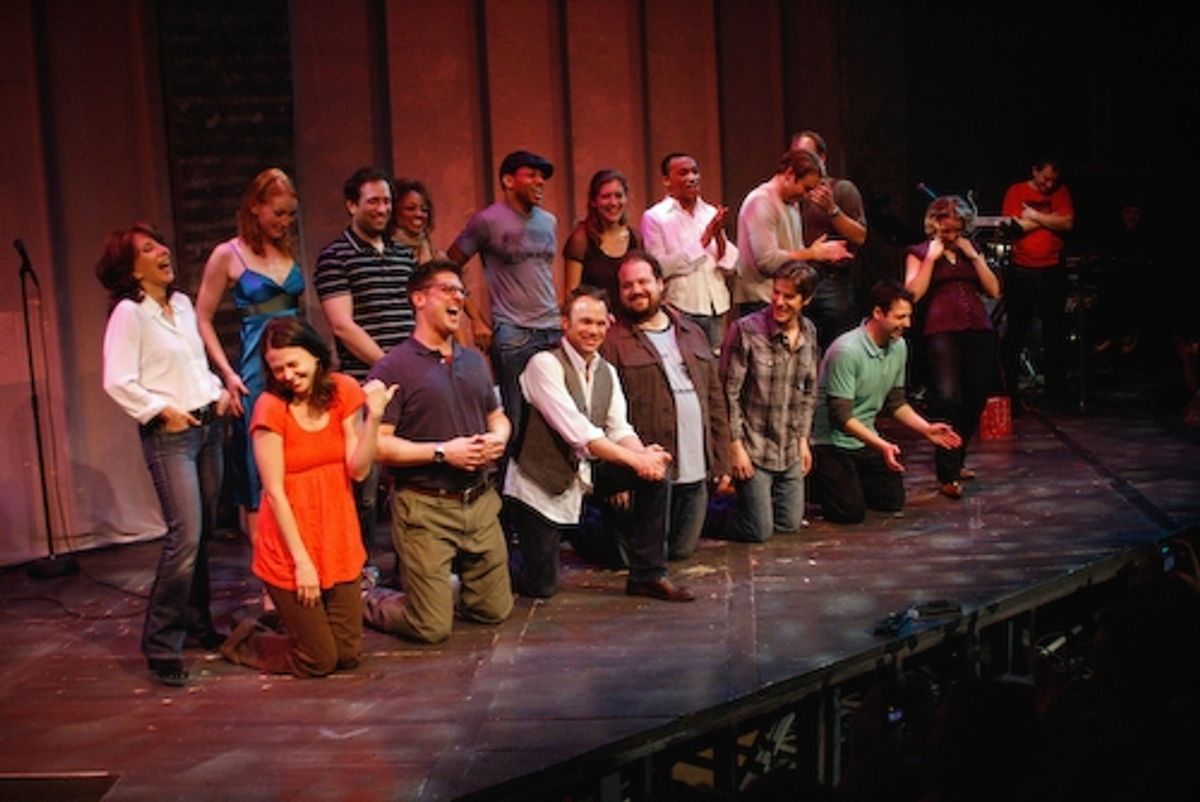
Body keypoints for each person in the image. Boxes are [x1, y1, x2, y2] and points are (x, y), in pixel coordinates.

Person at [219, 318, 393, 677]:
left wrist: (374, 418)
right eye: (276, 368)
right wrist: (302, 563)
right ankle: (247, 639)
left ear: (315, 356)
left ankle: (298, 627)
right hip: (290, 544)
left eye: (293, 364)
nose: (286, 375)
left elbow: (358, 471)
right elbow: (275, 492)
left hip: (337, 535)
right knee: (318, 661)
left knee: (347, 655)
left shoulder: (343, 390)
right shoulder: (270, 407)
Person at [98, 223, 230, 687]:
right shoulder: (129, 315)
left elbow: (195, 363)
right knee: (186, 535)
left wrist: (215, 390)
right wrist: (161, 411)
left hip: (208, 427)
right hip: (170, 435)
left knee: (206, 530)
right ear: (130, 268)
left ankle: (197, 624)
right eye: (148, 248)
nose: (163, 251)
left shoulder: (181, 304)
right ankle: (161, 644)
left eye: (160, 243)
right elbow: (117, 379)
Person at [505, 285, 694, 601]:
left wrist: (644, 455)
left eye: (599, 323)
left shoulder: (606, 370)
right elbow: (578, 433)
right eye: (584, 322)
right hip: (540, 483)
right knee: (542, 586)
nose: (593, 331)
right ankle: (494, 565)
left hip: (582, 474)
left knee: (656, 476)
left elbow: (618, 427)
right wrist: (636, 460)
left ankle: (648, 575)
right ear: (565, 323)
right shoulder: (544, 364)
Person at [367, 260, 514, 643]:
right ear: (418, 298)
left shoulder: (472, 360)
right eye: (447, 290)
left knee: (494, 611)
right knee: (430, 627)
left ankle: (439, 591)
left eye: (461, 292)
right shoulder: (393, 366)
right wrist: (441, 453)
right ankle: (368, 598)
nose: (458, 298)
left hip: (479, 503)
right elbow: (379, 445)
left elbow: (497, 415)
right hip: (426, 506)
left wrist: (498, 438)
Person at [196, 167, 303, 544]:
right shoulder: (229, 255)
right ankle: (267, 571)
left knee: (298, 458)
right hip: (257, 367)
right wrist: (227, 373)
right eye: (277, 213)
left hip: (296, 360)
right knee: (258, 464)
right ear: (255, 207)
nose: (284, 221)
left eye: (290, 214)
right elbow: (202, 318)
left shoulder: (289, 248)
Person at [602, 251, 732, 559]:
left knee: (681, 553)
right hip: (647, 475)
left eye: (643, 281)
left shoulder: (692, 332)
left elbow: (715, 400)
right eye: (627, 285)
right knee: (637, 556)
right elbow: (602, 413)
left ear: (661, 283)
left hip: (695, 470)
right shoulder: (612, 341)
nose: (636, 290)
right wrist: (615, 477)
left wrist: (722, 459)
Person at [314, 166, 417, 551]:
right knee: (366, 485)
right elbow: (342, 326)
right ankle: (360, 565)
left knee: (413, 478)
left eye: (387, 201)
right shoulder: (335, 257)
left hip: (408, 382)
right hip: (365, 385)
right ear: (351, 205)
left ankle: (413, 565)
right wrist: (393, 365)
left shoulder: (402, 255)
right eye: (373, 200)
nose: (382, 208)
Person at [809, 281, 963, 523]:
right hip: (831, 443)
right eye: (900, 317)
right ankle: (815, 481)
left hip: (863, 438)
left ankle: (849, 481)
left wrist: (926, 429)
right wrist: (882, 445)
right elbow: (842, 416)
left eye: (909, 316)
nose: (907, 324)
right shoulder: (847, 350)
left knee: (890, 501)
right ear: (878, 313)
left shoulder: (899, 346)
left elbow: (895, 403)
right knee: (849, 513)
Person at [449, 150, 560, 437]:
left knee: (554, 418)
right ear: (508, 180)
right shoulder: (487, 221)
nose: (540, 182)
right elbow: (448, 268)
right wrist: (475, 318)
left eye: (542, 177)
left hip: (552, 329)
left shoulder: (548, 221)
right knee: (515, 419)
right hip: (513, 333)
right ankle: (507, 482)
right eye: (531, 175)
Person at [904, 196, 1001, 499]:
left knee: (977, 396)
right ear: (933, 227)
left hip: (978, 328)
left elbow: (994, 290)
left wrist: (975, 258)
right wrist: (931, 260)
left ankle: (957, 458)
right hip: (942, 330)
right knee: (947, 396)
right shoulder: (919, 253)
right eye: (945, 231)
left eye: (956, 231)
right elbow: (912, 294)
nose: (950, 237)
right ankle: (947, 472)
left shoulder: (970, 251)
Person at [720, 262, 820, 542]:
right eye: (776, 293)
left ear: (806, 300)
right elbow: (729, 393)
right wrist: (735, 447)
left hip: (787, 447)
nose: (778, 301)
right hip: (754, 447)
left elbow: (808, 392)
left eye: (789, 297)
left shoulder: (809, 332)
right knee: (759, 531)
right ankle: (712, 510)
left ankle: (752, 504)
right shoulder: (746, 331)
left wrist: (802, 441)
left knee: (789, 524)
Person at [735, 149, 851, 322]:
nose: (807, 196)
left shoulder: (792, 203)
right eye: (806, 188)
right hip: (762, 302)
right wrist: (812, 253)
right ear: (789, 174)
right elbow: (767, 262)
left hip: (785, 299)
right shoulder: (761, 202)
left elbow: (792, 253)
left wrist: (820, 254)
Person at [639, 152, 739, 351]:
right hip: (682, 306)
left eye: (695, 172)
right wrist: (705, 237)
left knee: (714, 368)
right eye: (683, 173)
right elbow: (659, 267)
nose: (692, 178)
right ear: (667, 181)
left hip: (715, 305)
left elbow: (726, 264)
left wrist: (718, 235)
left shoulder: (710, 213)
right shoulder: (655, 217)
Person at [1001, 155, 1075, 405]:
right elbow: (1015, 227)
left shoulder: (1062, 191)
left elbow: (1067, 223)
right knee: (1016, 332)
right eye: (1044, 179)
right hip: (1022, 270)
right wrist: (1049, 219)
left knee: (1055, 333)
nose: (1048, 185)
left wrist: (1032, 215)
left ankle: (1056, 392)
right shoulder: (1016, 190)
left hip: (1052, 270)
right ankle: (1009, 392)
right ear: (1034, 171)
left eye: (1053, 181)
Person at [791, 130, 869, 350]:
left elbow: (860, 236)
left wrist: (832, 209)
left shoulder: (841, 190)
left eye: (806, 155)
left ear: (822, 158)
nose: (801, 162)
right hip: (796, 280)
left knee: (836, 349)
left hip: (831, 281)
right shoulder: (791, 195)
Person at [563, 168, 641, 303]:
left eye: (618, 196)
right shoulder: (581, 240)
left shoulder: (636, 238)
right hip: (596, 321)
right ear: (594, 201)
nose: (613, 203)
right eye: (606, 197)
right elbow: (571, 295)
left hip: (630, 321)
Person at [392, 178, 446, 265]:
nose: (419, 214)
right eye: (410, 208)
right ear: (394, 212)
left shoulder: (435, 256)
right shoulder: (384, 252)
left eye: (424, 210)